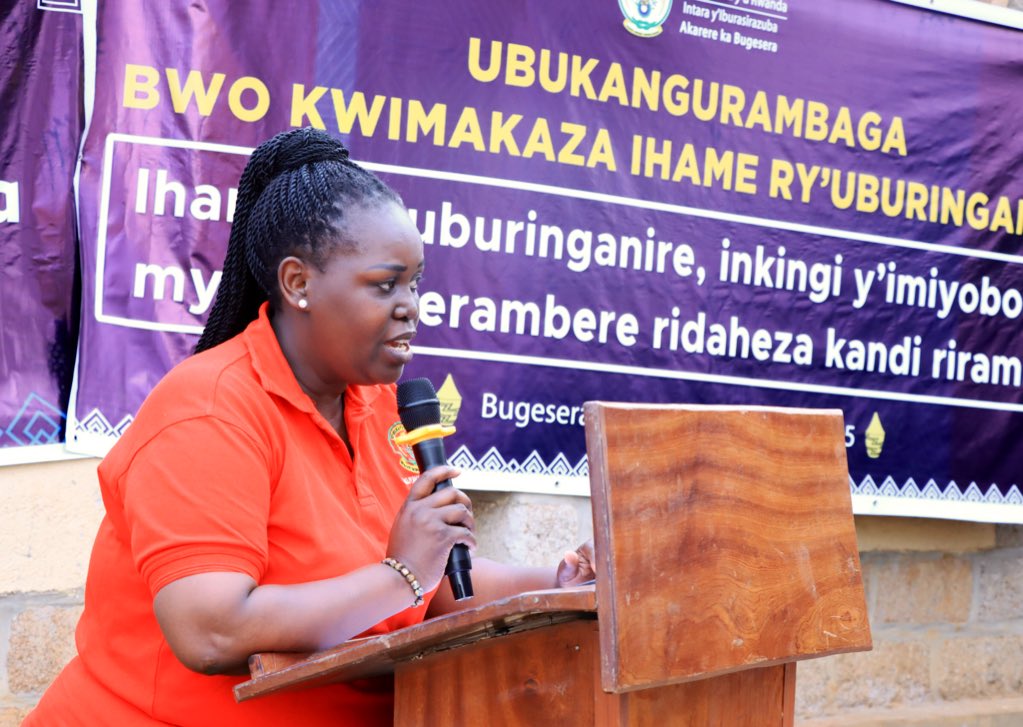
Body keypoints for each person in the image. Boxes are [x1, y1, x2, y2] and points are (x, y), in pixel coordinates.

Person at [24, 127, 595, 726]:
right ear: (298, 283)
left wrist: (559, 583)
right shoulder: (210, 411)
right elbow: (211, 632)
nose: (411, 306)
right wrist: (400, 575)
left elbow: (436, 586)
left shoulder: (378, 405)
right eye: (385, 284)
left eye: (415, 283)